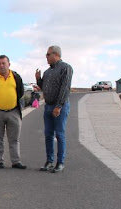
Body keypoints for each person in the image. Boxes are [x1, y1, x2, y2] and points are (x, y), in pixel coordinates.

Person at [0, 55, 26, 169]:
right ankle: (0, 161)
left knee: (14, 139)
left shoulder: (16, 77)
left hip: (14, 112)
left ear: (9, 64)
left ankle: (16, 161)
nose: (1, 66)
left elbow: (20, 92)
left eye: (3, 63)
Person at [35, 45, 73, 173]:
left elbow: (65, 88)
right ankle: (49, 161)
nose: (46, 56)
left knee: (60, 134)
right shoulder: (47, 72)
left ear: (56, 54)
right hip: (48, 106)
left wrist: (59, 106)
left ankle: (60, 162)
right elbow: (44, 87)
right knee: (48, 134)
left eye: (48, 54)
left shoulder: (66, 68)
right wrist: (38, 79)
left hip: (59, 107)